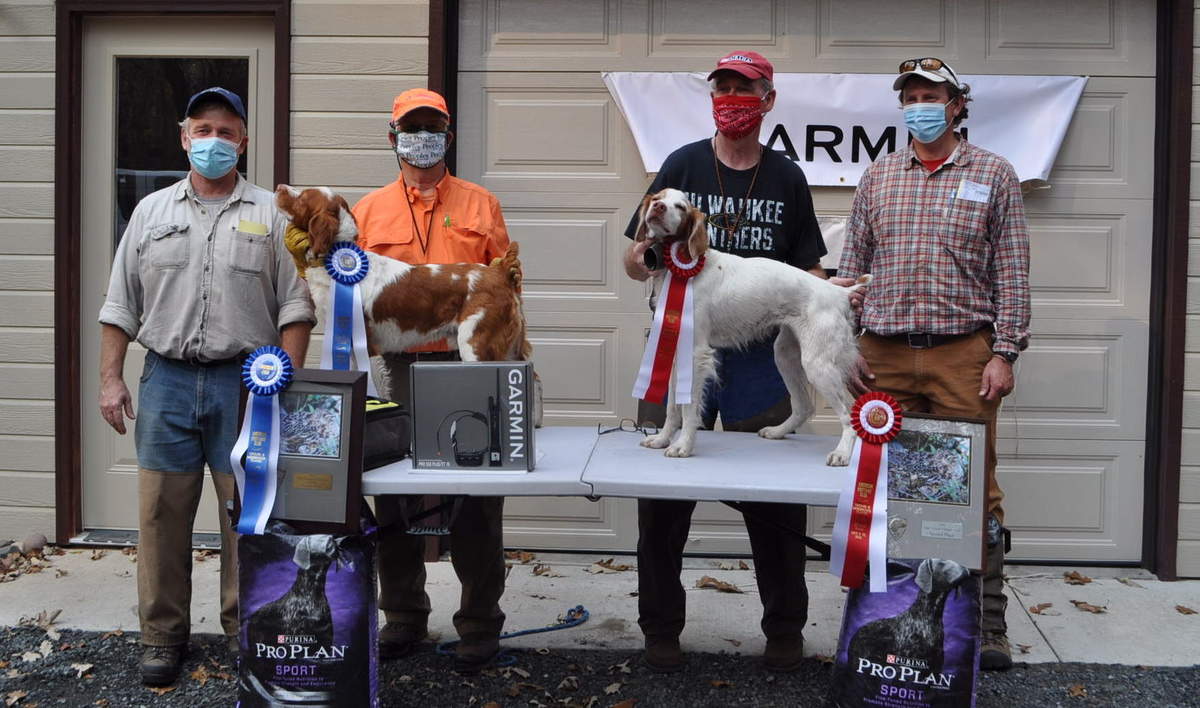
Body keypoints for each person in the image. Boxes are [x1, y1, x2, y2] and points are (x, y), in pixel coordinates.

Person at [287, 88, 512, 673]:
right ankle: (404, 617)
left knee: (477, 499)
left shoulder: (482, 203)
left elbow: (507, 288)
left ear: (448, 135)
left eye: (432, 126)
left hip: (471, 370)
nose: (421, 136)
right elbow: (352, 299)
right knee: (393, 496)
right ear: (392, 138)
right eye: (410, 128)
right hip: (403, 371)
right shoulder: (366, 208)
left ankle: (480, 624)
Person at [97, 87, 314, 686]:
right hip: (165, 381)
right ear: (183, 136)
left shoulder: (274, 214)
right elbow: (120, 306)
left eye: (226, 130)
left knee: (247, 517)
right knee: (161, 516)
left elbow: (297, 309)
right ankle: (162, 637)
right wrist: (110, 379)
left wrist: (283, 388)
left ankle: (248, 634)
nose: (213, 140)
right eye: (202, 129)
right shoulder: (150, 213)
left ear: (243, 140)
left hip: (244, 387)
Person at [620, 51, 827, 673]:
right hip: (679, 351)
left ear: (767, 100)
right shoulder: (682, 163)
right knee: (660, 505)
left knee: (776, 507)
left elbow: (810, 269)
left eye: (743, 89)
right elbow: (634, 258)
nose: (730, 97)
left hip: (762, 364)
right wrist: (656, 260)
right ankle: (660, 631)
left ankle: (785, 632)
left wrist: (820, 318)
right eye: (722, 88)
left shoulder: (787, 176)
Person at [834, 58, 1030, 671]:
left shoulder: (993, 174)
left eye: (931, 96)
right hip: (884, 357)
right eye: (911, 96)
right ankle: (879, 619)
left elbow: (1013, 269)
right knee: (883, 491)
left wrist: (1005, 350)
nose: (919, 105)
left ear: (956, 106)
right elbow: (852, 269)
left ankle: (987, 625)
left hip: (961, 355)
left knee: (974, 495)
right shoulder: (880, 174)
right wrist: (845, 343)